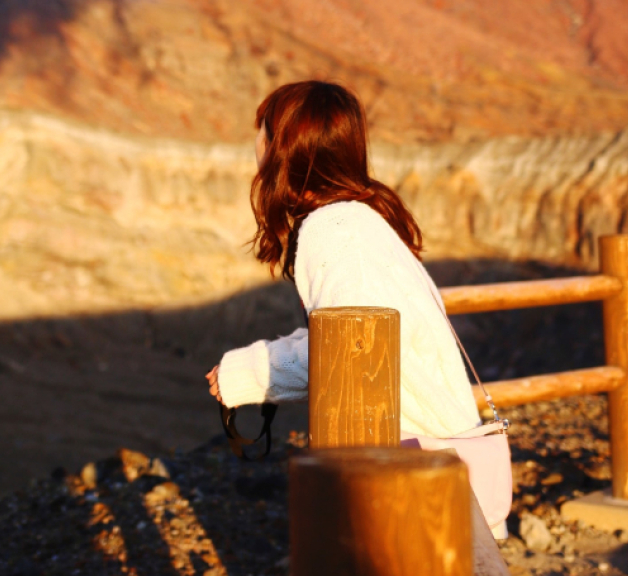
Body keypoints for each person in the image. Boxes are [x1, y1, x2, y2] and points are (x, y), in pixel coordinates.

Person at [205, 81, 481, 438]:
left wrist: (246, 372)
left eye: (263, 131)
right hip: (423, 449)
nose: (255, 142)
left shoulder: (335, 231)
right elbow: (352, 331)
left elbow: (353, 350)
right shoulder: (358, 222)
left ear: (281, 147)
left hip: (411, 461)